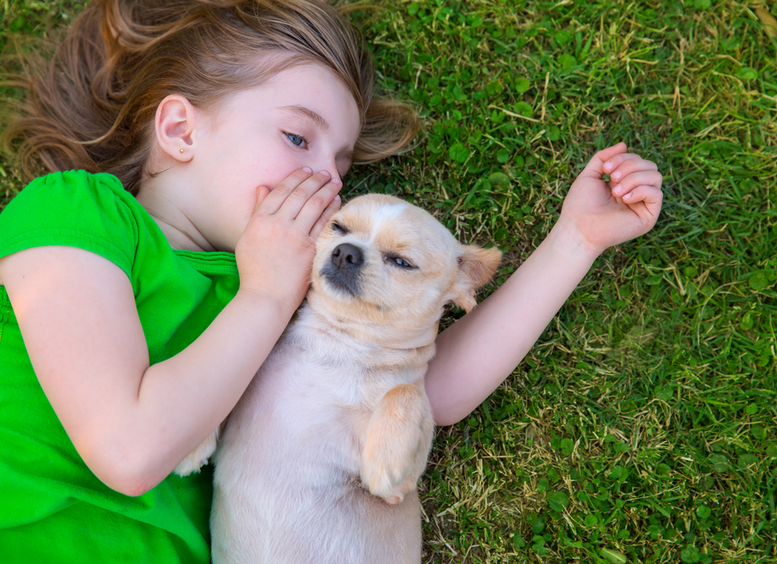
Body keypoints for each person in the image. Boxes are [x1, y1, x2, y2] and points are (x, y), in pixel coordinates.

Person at [0, 0, 663, 561]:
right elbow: (130, 449)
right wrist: (263, 293)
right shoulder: (76, 212)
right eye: (297, 137)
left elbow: (425, 387)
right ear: (179, 128)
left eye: (339, 163)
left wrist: (574, 242)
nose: (326, 179)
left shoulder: (283, 286)